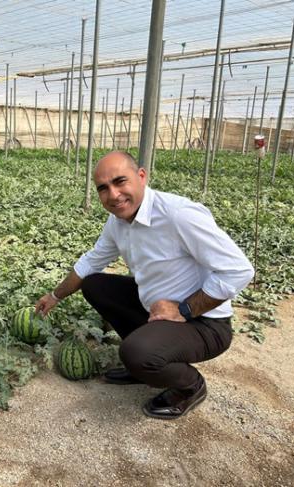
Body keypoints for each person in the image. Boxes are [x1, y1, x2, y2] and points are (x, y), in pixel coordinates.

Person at [35, 151, 254, 420]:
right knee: (94, 285)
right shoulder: (118, 221)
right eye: (103, 188)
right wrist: (55, 295)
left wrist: (184, 310)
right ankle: (144, 367)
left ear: (141, 176)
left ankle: (189, 386)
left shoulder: (178, 215)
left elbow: (239, 270)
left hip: (206, 325)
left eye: (120, 181)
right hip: (159, 313)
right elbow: (92, 262)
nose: (113, 195)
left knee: (136, 353)